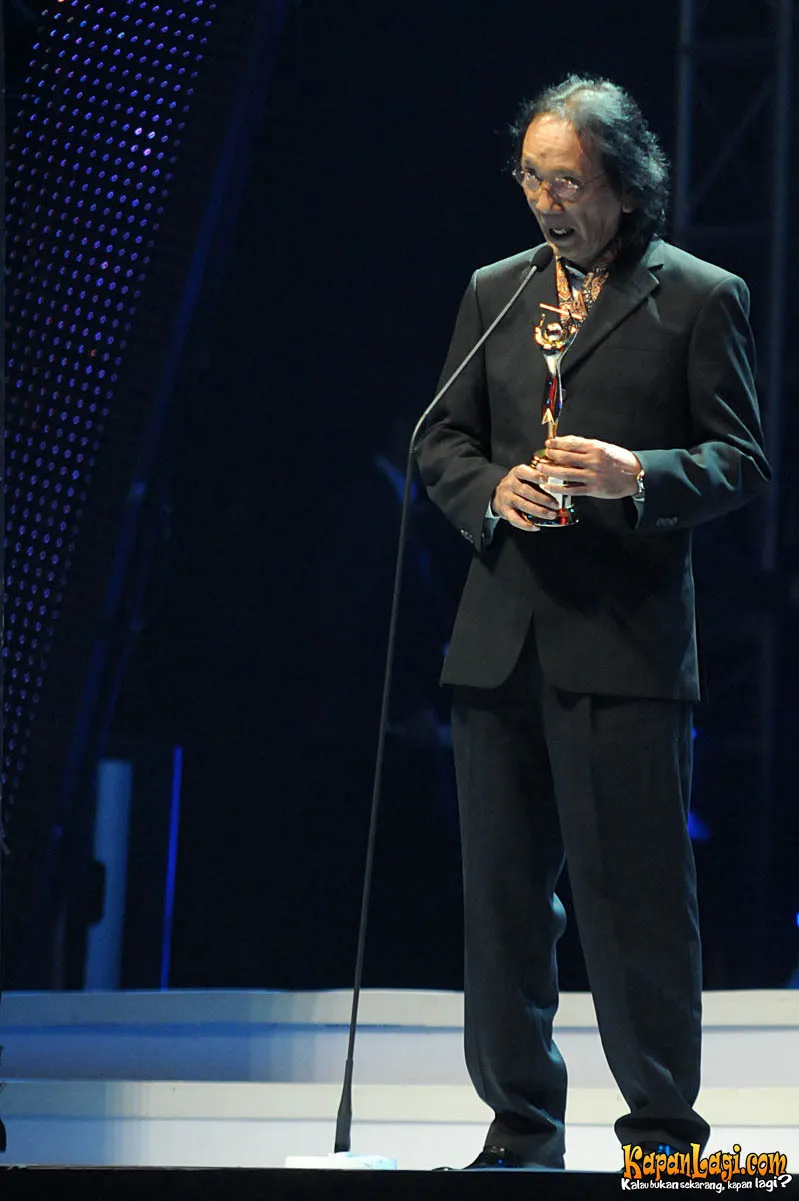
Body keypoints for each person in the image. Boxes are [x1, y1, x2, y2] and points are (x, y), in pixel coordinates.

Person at [415, 75, 770, 1171]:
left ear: (622, 183)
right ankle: (520, 1128)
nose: (544, 201)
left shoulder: (698, 296)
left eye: (564, 181)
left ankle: (662, 1137)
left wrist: (637, 473)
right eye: (530, 178)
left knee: (635, 907)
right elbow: (439, 439)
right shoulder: (496, 291)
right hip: (500, 643)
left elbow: (741, 461)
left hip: (624, 644)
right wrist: (491, 490)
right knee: (504, 906)